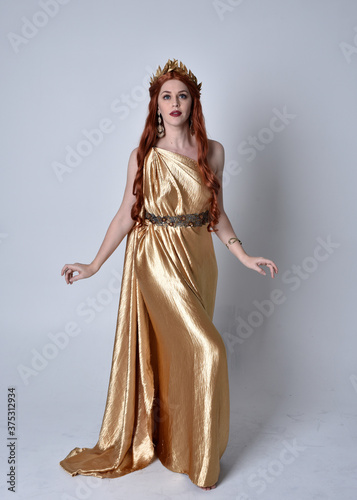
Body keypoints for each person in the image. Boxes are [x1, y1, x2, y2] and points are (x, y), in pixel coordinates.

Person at [59, 59, 278, 491]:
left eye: (182, 95)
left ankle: (181, 446)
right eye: (166, 96)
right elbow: (126, 215)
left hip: (199, 261)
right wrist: (93, 265)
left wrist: (244, 254)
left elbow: (217, 215)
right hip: (155, 257)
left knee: (182, 358)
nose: (174, 103)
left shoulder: (212, 150)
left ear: (193, 102)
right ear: (155, 106)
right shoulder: (143, 156)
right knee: (209, 350)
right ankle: (202, 463)